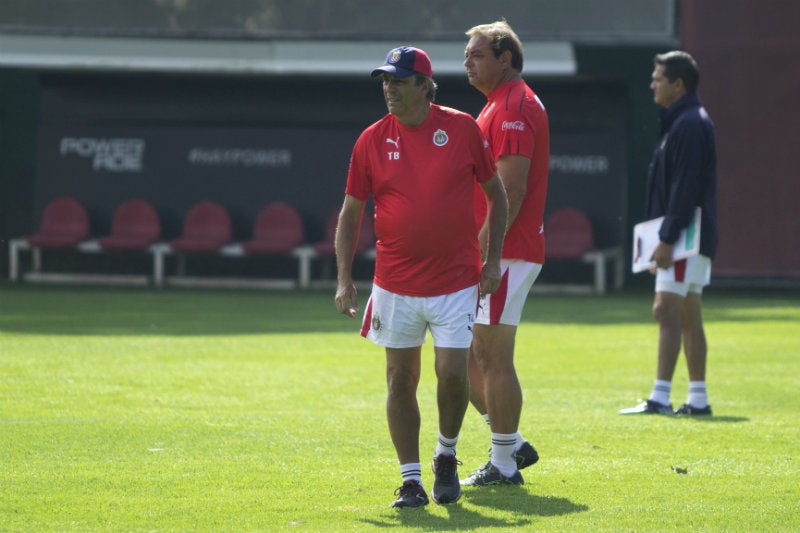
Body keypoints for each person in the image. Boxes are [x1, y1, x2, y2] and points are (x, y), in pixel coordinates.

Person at [334, 45, 509, 508]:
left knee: (452, 374)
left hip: (455, 280)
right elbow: (351, 213)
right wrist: (344, 278)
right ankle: (411, 481)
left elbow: (498, 195)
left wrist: (491, 262)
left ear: (424, 86)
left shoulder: (463, 128)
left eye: (398, 80)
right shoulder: (370, 139)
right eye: (385, 81)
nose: (389, 89)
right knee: (399, 380)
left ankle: (446, 454)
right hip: (394, 283)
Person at [459, 20, 549, 487]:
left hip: (505, 253)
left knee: (491, 357)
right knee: (471, 357)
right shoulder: (501, 103)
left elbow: (509, 189)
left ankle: (504, 463)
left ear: (505, 58)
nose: (467, 63)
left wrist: (485, 257)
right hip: (501, 251)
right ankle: (510, 444)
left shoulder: (513, 104)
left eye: (476, 55)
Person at [619, 50, 718, 416]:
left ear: (678, 84)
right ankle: (698, 399)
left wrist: (666, 238)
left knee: (666, 309)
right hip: (688, 236)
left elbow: (685, 187)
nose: (652, 84)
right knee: (689, 314)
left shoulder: (689, 123)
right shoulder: (685, 121)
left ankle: (660, 397)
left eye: (658, 78)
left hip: (684, 239)